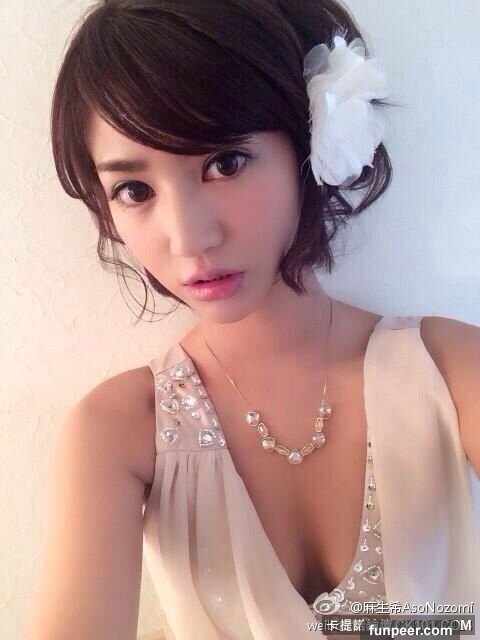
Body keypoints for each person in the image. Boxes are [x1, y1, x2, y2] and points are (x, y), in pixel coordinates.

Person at [26, 1, 480, 639]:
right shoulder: (120, 432)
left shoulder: (452, 372)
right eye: (135, 190)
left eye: (225, 163)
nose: (189, 238)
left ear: (308, 143)